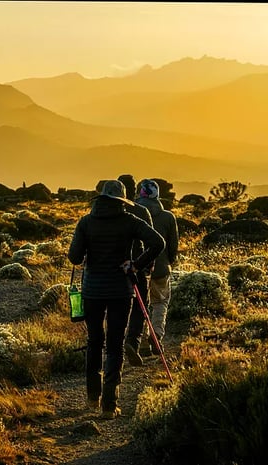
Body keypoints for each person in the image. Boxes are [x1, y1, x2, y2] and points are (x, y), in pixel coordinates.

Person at [68, 180, 165, 419]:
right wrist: (136, 264)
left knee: (94, 342)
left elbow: (75, 258)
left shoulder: (86, 222)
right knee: (115, 345)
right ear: (122, 201)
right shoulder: (130, 221)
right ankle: (110, 406)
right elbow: (158, 243)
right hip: (121, 291)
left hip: (92, 291)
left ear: (100, 199)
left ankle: (93, 397)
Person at [131, 179, 179, 356]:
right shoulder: (168, 217)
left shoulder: (131, 214)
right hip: (161, 268)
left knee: (140, 304)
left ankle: (142, 342)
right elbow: (173, 244)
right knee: (160, 302)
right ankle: (156, 335)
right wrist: (169, 260)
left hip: (137, 268)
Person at [118, 174, 155, 367]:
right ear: (134, 190)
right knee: (141, 307)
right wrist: (147, 263)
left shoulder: (108, 212)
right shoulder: (141, 211)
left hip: (113, 268)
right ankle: (132, 341)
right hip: (137, 266)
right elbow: (154, 241)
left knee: (115, 306)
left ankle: (114, 346)